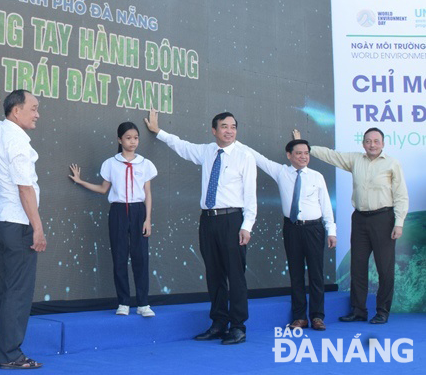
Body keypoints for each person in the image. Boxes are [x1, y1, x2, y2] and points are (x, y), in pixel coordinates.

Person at [144, 110, 256, 345]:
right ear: (214, 130)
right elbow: (182, 146)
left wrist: (247, 225)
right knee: (214, 275)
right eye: (224, 126)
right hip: (208, 220)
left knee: (235, 276)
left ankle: (237, 326)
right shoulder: (207, 151)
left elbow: (250, 196)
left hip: (233, 220)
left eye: (233, 126)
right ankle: (218, 323)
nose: (229, 130)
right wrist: (158, 132)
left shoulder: (245, 156)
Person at [294, 128, 408, 325]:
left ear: (383, 143)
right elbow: (332, 156)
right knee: (358, 266)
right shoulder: (356, 160)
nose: (372, 144)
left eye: (376, 141)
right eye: (368, 141)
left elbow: (401, 195)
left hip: (384, 219)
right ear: (363, 143)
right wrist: (307, 147)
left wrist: (399, 223)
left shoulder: (392, 164)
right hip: (360, 219)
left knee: (385, 268)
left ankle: (382, 311)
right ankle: (358, 310)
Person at [239, 138, 336, 331]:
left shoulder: (317, 176)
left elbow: (326, 205)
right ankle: (300, 317)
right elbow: (258, 158)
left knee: (316, 273)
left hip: (314, 228)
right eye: (298, 153)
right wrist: (237, 142)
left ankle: (317, 316)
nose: (303, 157)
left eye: (306, 153)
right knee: (296, 272)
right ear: (289, 155)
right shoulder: (281, 172)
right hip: (292, 228)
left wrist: (331, 230)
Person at [0, 87, 47, 369]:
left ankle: (0, 351)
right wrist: (38, 228)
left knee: (3, 290)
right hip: (18, 225)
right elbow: (25, 189)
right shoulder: (18, 142)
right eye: (33, 108)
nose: (37, 114)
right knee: (18, 293)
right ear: (16, 111)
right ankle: (10, 355)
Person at [69, 122, 158, 317]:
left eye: (135, 137)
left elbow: (148, 193)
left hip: (138, 212)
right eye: (128, 138)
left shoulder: (145, 163)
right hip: (118, 211)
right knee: (119, 257)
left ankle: (143, 304)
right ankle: (123, 303)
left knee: (140, 258)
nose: (132, 141)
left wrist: (147, 219)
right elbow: (103, 189)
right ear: (119, 139)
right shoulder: (110, 163)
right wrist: (80, 181)